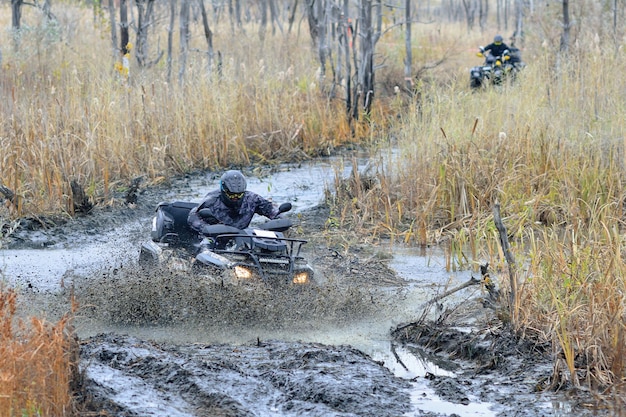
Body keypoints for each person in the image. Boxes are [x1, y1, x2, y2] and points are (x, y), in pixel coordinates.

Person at [187, 169, 282, 233]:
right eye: (231, 195)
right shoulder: (212, 200)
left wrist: (278, 220)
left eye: (239, 194)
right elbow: (193, 216)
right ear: (224, 190)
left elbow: (273, 211)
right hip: (216, 236)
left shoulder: (252, 199)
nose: (235, 198)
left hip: (242, 236)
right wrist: (206, 228)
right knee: (206, 245)